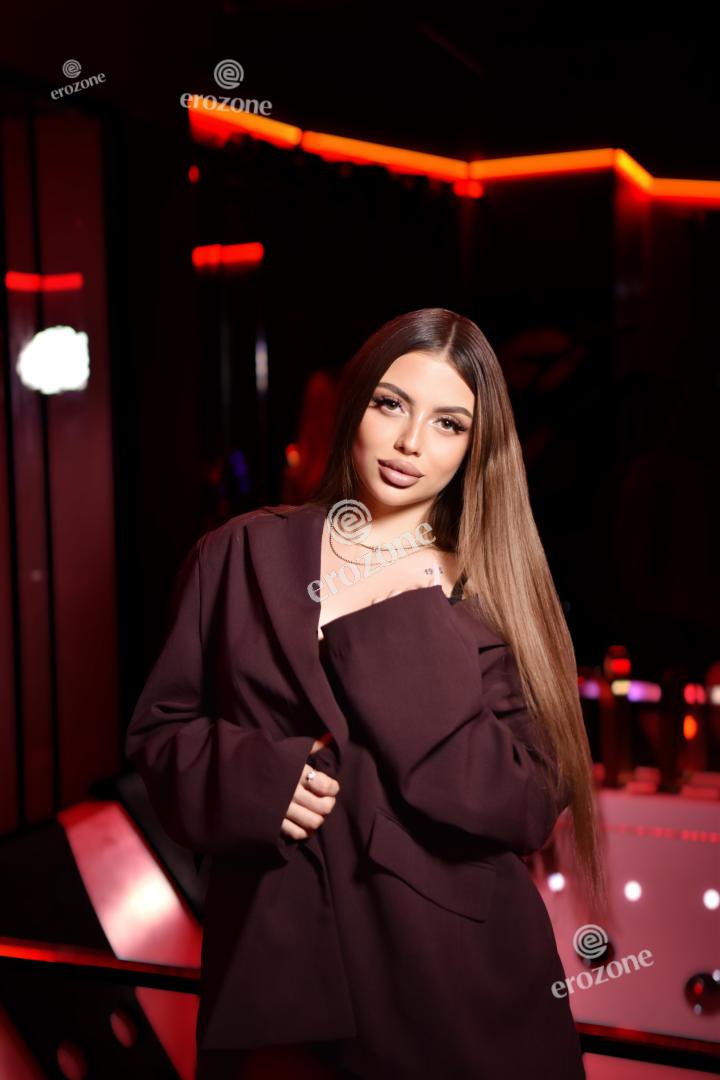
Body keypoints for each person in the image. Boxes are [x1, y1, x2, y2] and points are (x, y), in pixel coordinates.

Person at [125, 307, 606, 1079]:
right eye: (392, 404)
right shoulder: (240, 552)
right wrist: (259, 781)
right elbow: (161, 733)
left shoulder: (493, 590)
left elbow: (529, 802)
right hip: (279, 974)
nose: (411, 442)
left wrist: (405, 613)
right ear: (356, 405)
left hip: (451, 986)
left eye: (448, 424)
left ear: (475, 447)